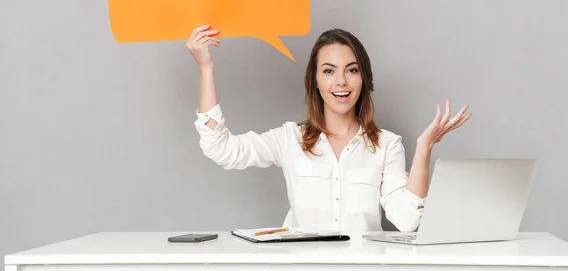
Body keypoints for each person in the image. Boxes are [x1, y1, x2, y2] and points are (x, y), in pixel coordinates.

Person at [187, 25, 471, 233]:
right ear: (315, 81)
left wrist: (424, 148)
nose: (341, 82)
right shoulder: (290, 139)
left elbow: (407, 221)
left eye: (352, 70)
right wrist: (206, 68)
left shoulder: (388, 144)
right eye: (328, 70)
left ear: (364, 78)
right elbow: (221, 149)